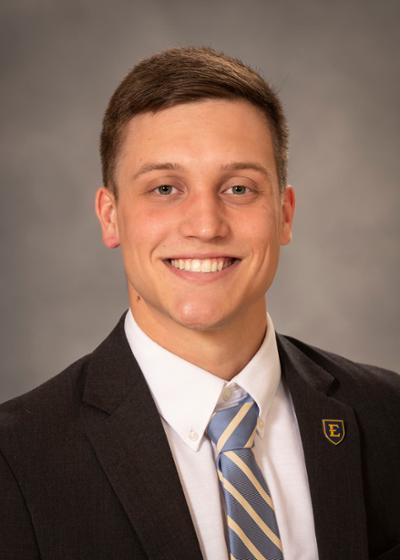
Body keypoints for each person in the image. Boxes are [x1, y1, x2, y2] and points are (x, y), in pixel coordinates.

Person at [0, 47, 399, 560]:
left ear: (284, 214)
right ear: (110, 216)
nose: (206, 225)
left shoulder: (390, 418)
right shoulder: (16, 460)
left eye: (239, 188)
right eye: (165, 188)